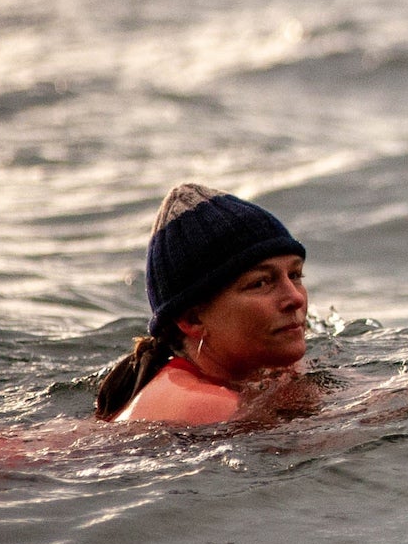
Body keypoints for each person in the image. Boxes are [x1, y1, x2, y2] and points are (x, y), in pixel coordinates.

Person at [95, 182, 319, 425]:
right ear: (193, 319)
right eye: (261, 283)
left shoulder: (265, 371)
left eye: (295, 275)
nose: (295, 298)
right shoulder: (207, 404)